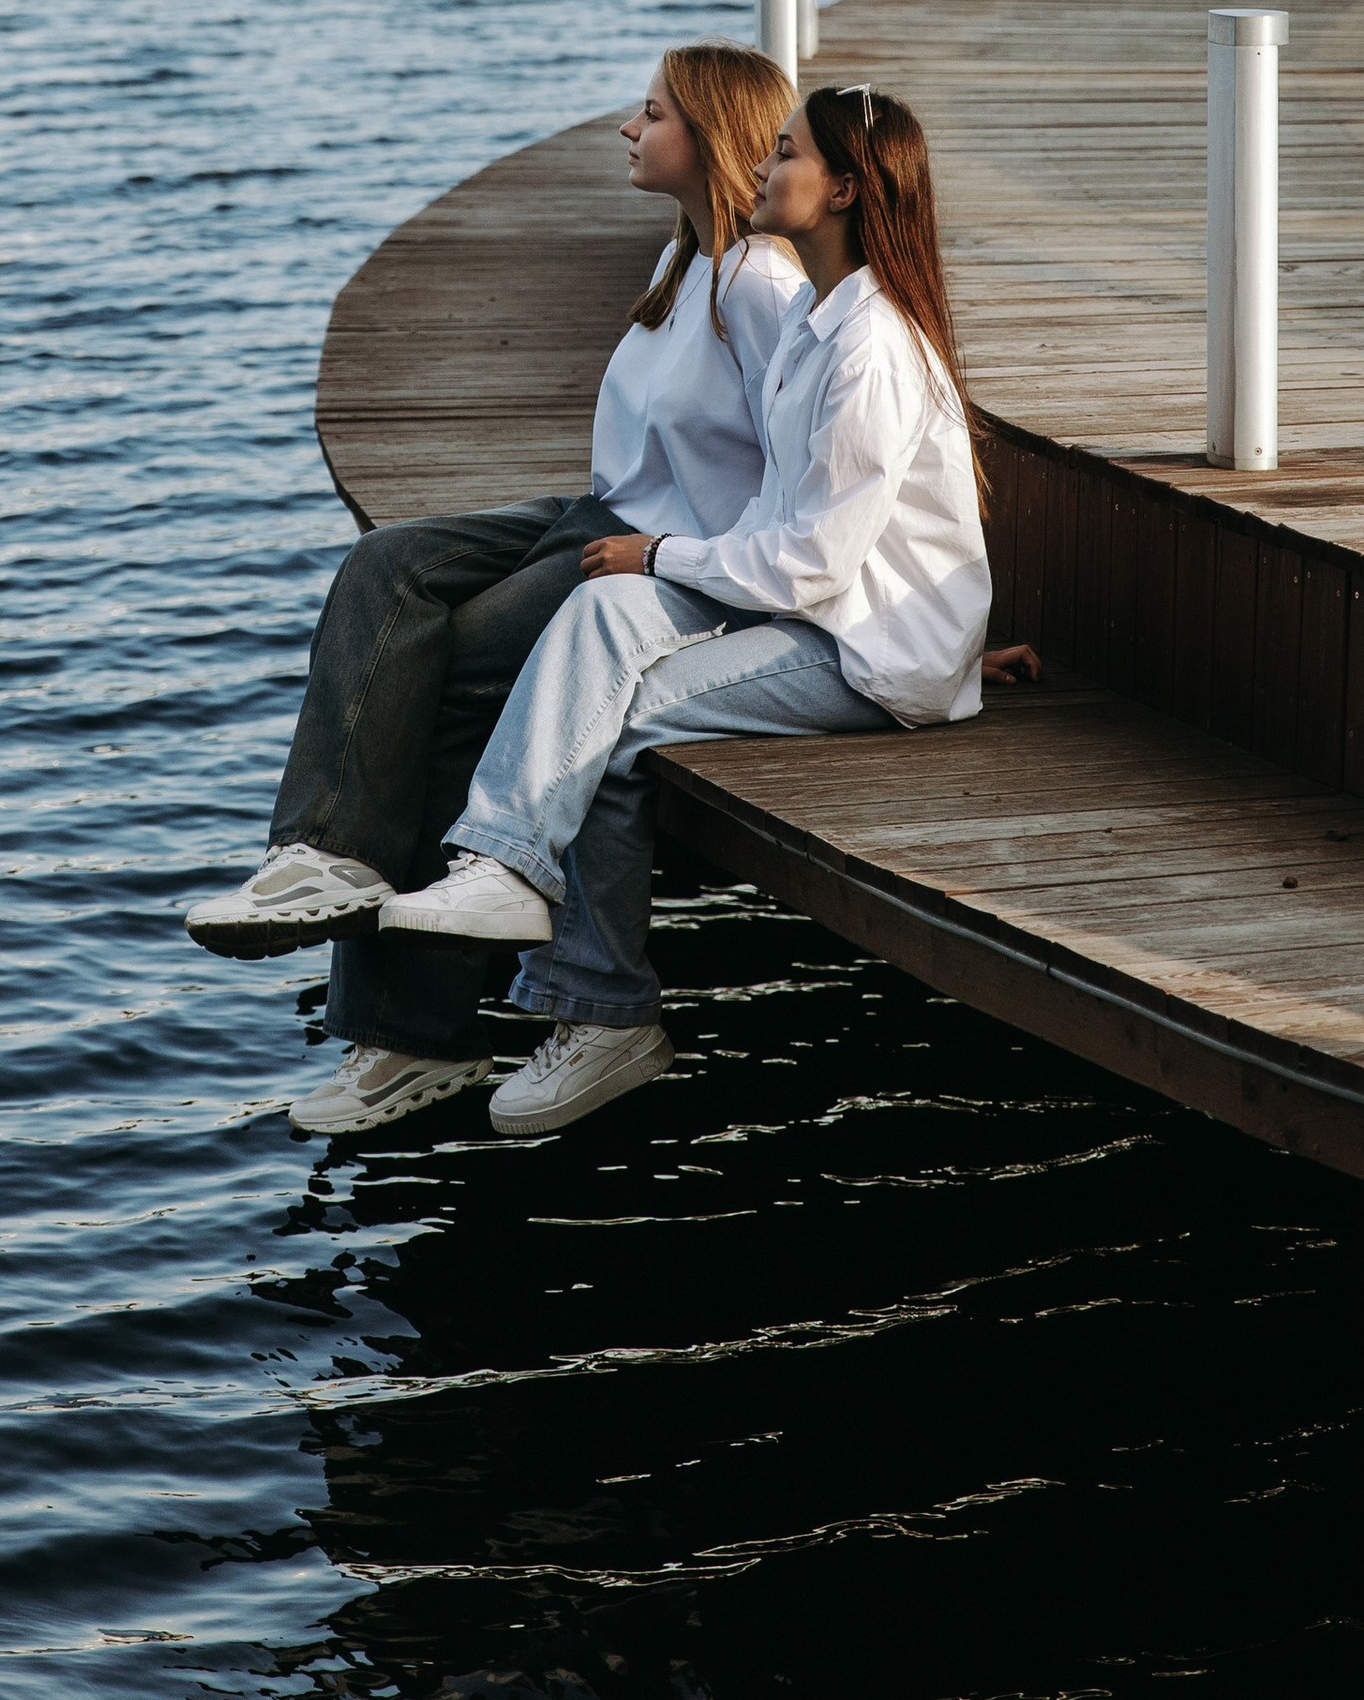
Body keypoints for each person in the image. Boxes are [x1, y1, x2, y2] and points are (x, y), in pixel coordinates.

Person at [184, 42, 803, 1139]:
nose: (629, 128)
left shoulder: (759, 284)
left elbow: (821, 473)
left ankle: (413, 1037)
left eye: (653, 113)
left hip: (672, 558)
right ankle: (322, 855)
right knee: (385, 567)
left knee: (444, 683)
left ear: (713, 135)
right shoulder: (684, 258)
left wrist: (870, 611)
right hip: (597, 510)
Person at [383, 83, 1001, 1137]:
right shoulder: (816, 321)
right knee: (605, 611)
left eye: (787, 154)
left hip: (863, 652)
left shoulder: (869, 349)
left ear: (843, 190)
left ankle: (604, 1009)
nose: (762, 167)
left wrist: (664, 551)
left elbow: (812, 563)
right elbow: (779, 521)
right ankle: (500, 863)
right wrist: (652, 572)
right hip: (812, 611)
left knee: (611, 719)